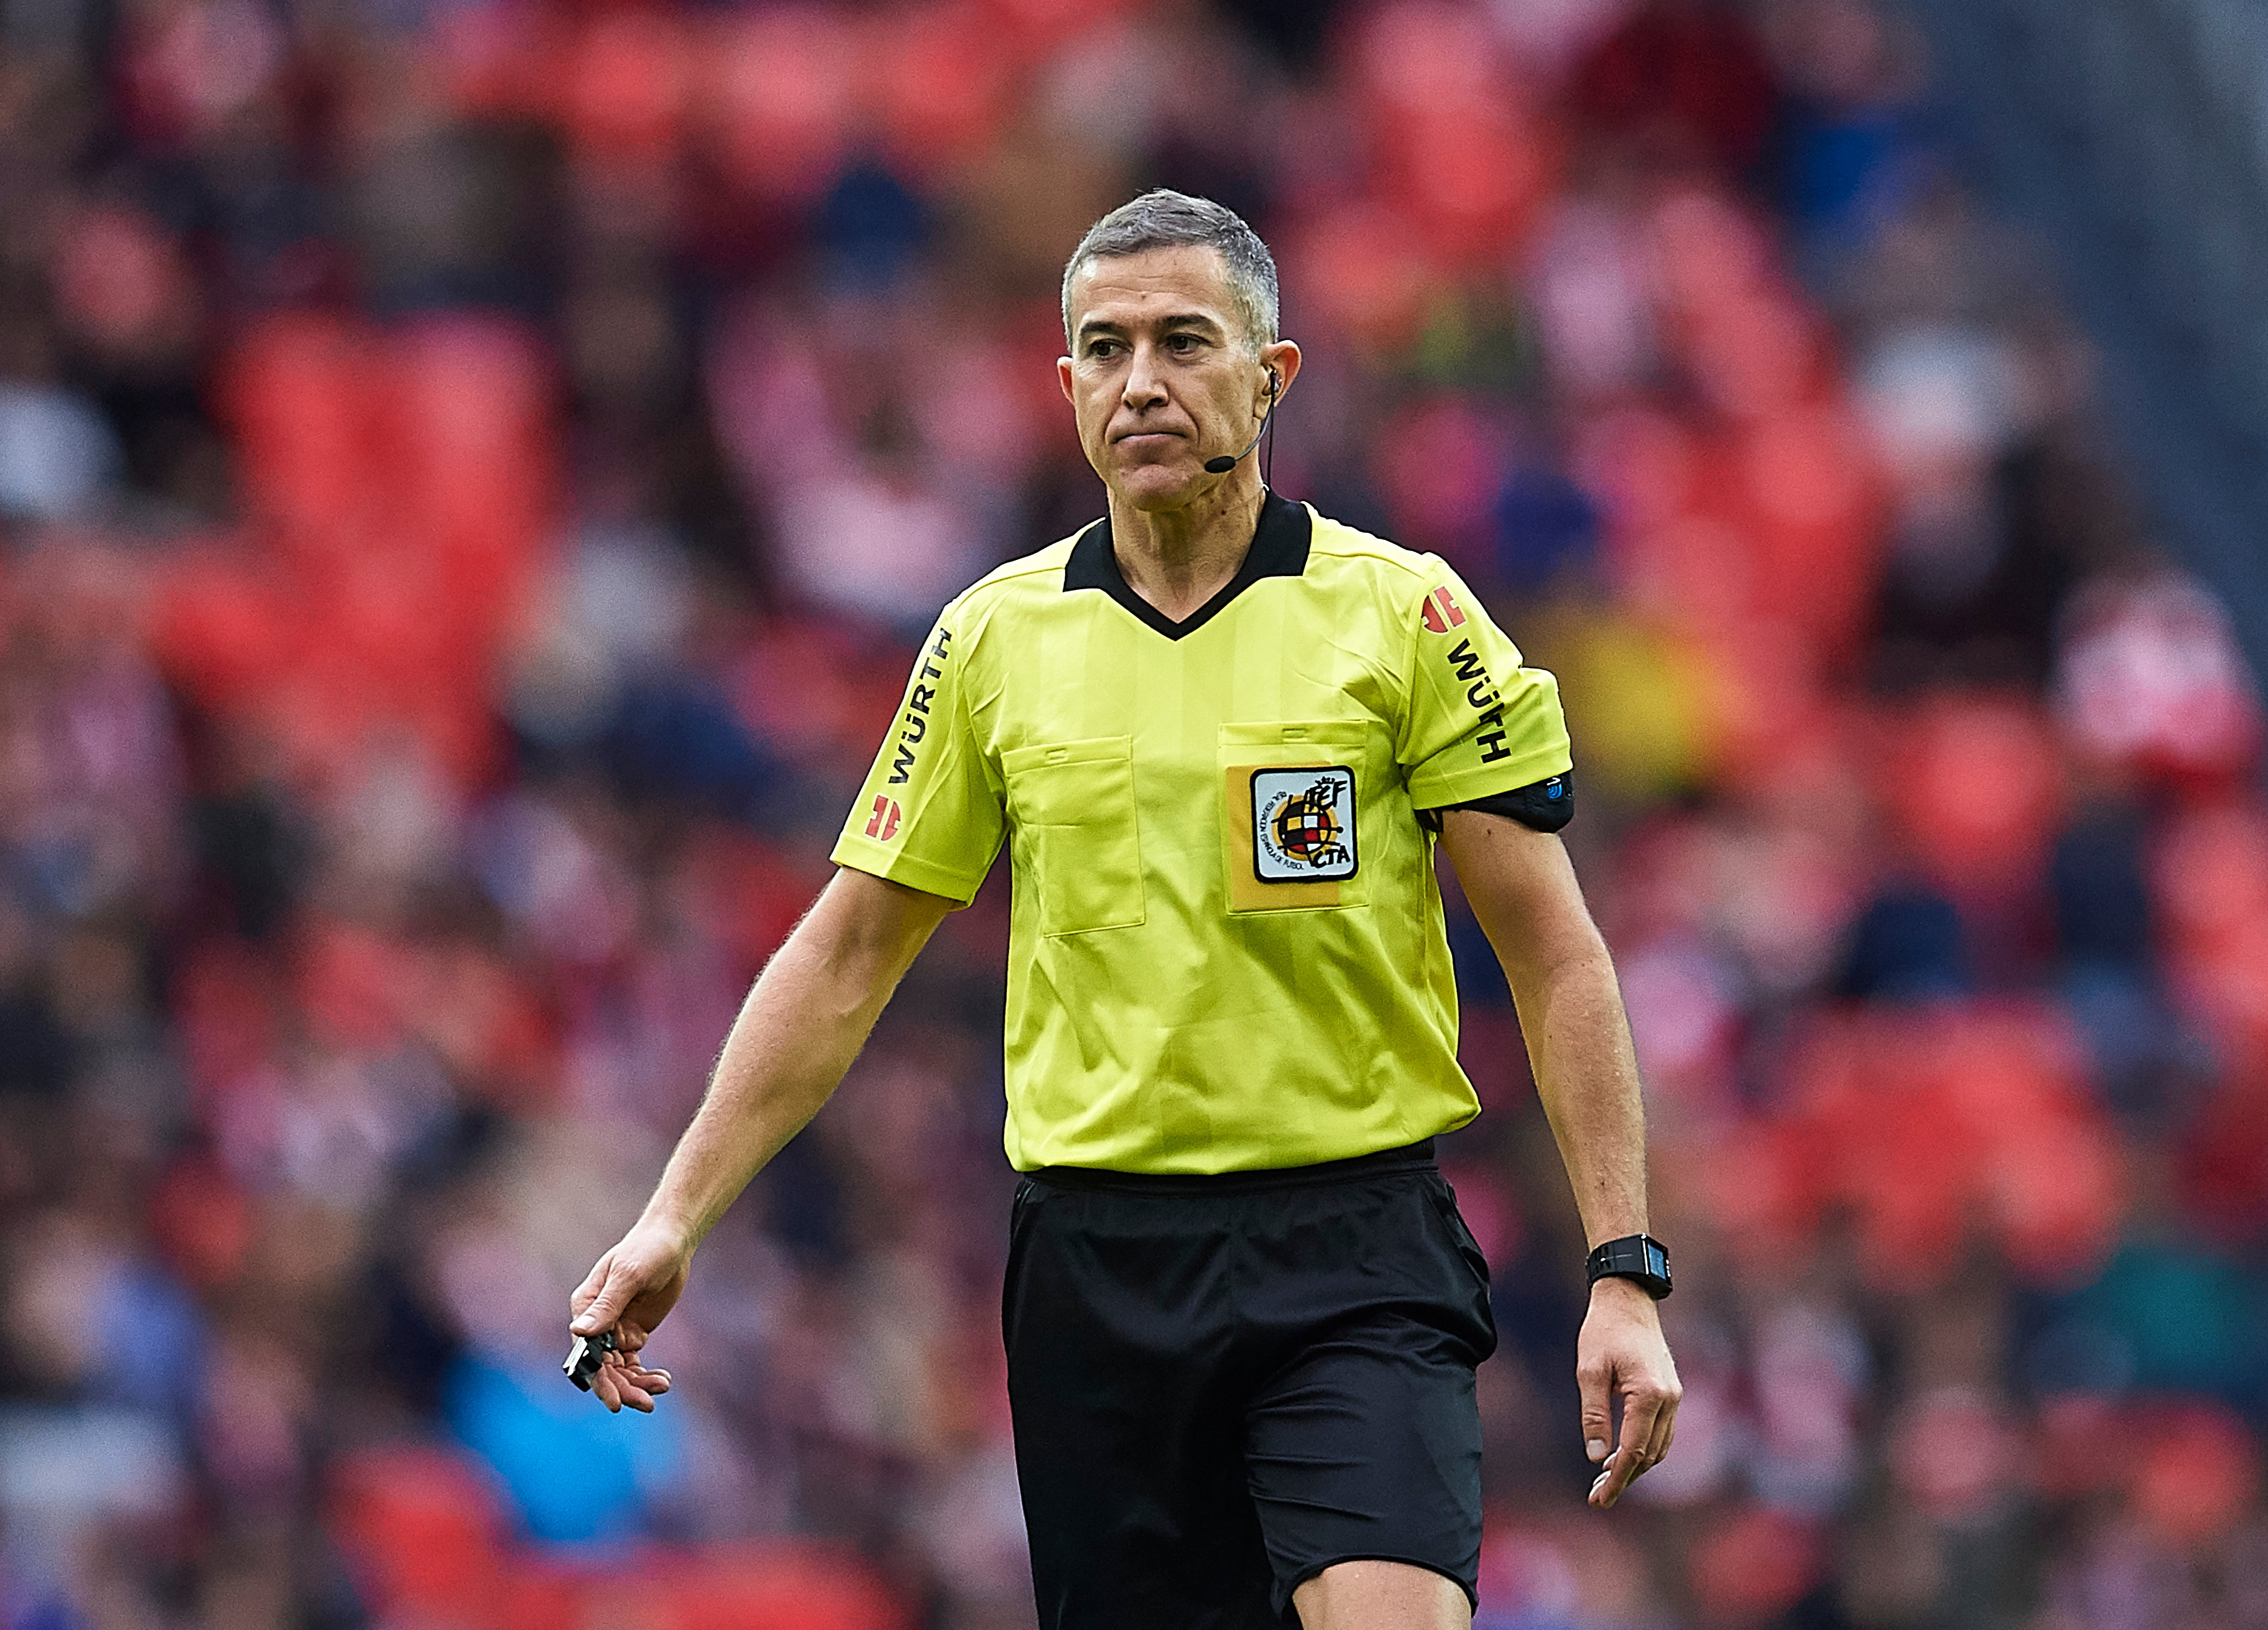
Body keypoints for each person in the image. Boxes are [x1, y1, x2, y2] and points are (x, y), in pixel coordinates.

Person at [567, 190, 1681, 1630]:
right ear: (1065, 387)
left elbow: (1558, 957)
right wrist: (674, 1218)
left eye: (1182, 342)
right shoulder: (992, 641)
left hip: (1351, 1248)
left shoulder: (1404, 618)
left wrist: (1623, 1270)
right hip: (1099, 1269)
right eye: (1104, 349)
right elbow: (847, 954)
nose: (1140, 381)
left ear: (1271, 377)